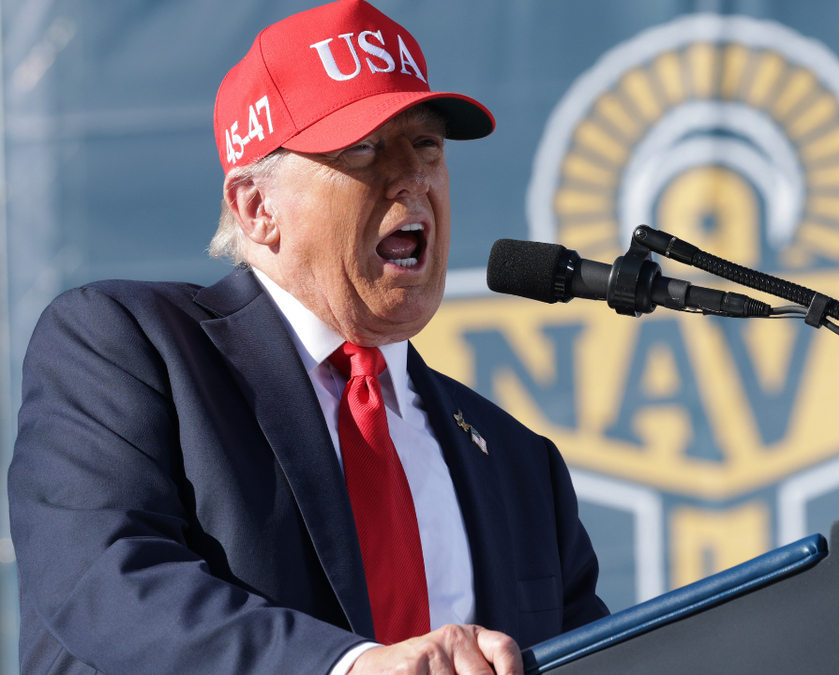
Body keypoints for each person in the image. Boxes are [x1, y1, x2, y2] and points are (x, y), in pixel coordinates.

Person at [7, 1, 608, 674]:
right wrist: (350, 666)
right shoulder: (125, 348)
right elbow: (107, 582)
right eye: (365, 147)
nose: (411, 175)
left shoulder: (520, 465)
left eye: (427, 146)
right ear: (258, 209)